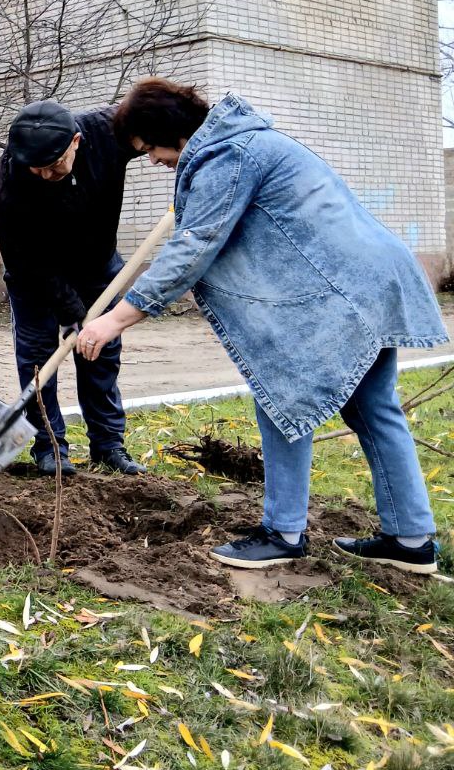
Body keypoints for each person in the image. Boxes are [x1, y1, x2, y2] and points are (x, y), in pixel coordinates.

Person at [77, 77, 446, 573]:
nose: (153, 161)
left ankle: (283, 532)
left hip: (339, 292)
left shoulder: (227, 158)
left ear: (172, 133)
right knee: (374, 409)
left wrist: (113, 321)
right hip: (372, 281)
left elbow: (193, 249)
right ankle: (410, 539)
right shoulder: (252, 141)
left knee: (283, 392)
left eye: (149, 149)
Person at [0, 98, 146, 476]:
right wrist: (74, 314)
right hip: (35, 277)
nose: (45, 175)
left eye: (54, 165)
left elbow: (159, 122)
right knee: (37, 359)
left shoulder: (110, 131)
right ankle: (51, 448)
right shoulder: (11, 183)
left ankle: (109, 445)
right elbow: (27, 263)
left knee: (100, 352)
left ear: (76, 141)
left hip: (97, 268)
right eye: (37, 169)